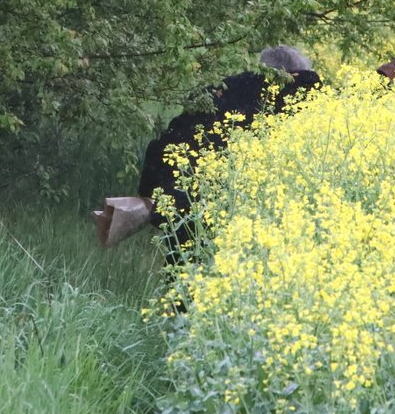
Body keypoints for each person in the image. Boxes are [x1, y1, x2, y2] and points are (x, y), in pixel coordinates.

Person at [93, 46, 320, 261]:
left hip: (187, 201)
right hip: (248, 213)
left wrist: (151, 198)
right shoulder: (306, 101)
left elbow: (161, 146)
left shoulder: (218, 92)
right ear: (296, 73)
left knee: (184, 270)